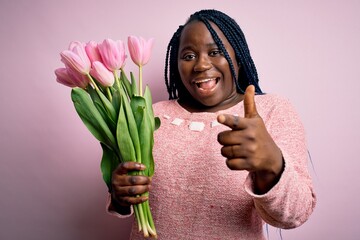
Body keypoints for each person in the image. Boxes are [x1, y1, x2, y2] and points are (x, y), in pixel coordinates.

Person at [108, 9, 316, 239]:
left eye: (215, 51)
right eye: (188, 56)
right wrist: (119, 196)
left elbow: (294, 215)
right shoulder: (151, 114)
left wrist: (271, 165)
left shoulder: (271, 110)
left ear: (237, 57)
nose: (201, 65)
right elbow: (126, 197)